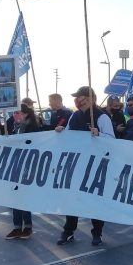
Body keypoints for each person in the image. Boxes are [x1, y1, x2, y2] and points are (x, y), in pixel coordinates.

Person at [56, 87, 114, 246]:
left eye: (80, 97)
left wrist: (99, 135)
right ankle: (68, 231)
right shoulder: (74, 116)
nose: (77, 100)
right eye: (76, 98)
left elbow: (112, 140)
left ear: (90, 98)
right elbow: (68, 134)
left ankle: (97, 232)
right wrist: (61, 131)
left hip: (96, 166)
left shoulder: (102, 117)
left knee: (95, 199)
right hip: (76, 164)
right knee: (72, 198)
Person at [5, 104, 42, 239]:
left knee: (24, 196)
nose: (15, 115)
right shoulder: (14, 126)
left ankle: (27, 226)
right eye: (14, 113)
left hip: (27, 165)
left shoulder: (32, 128)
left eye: (18, 113)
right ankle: (16, 227)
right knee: (15, 196)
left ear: (26, 114)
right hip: (15, 165)